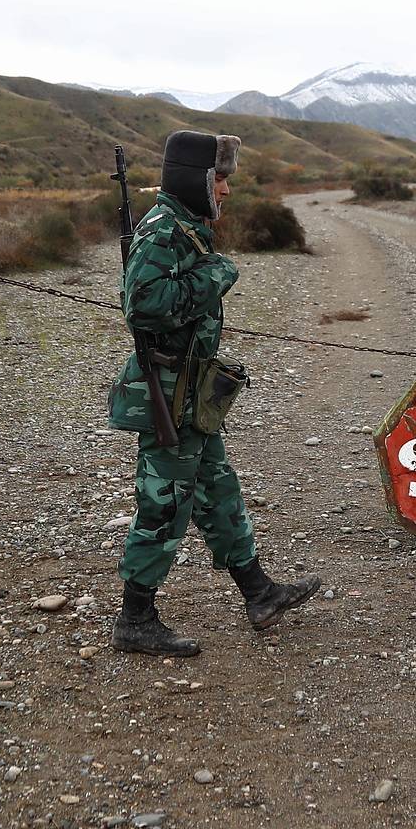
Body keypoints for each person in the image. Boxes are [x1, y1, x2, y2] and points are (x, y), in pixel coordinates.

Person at [108, 129, 320, 656]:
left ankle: (260, 593)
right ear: (195, 179)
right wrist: (218, 273)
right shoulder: (163, 231)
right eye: (219, 178)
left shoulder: (186, 225)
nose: (225, 190)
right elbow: (145, 306)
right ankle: (135, 619)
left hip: (192, 391)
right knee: (165, 502)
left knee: (217, 491)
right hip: (169, 392)